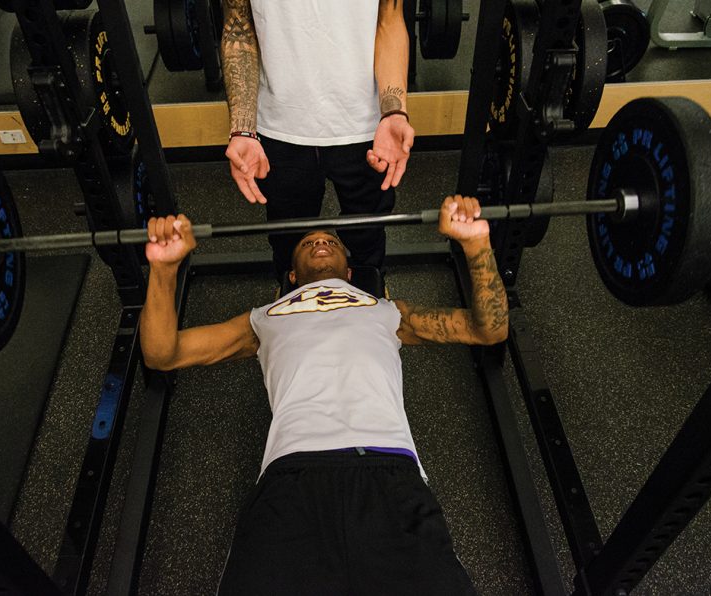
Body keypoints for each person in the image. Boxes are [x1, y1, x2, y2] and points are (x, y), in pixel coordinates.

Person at [140, 196, 507, 594]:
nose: (319, 242)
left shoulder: (387, 311)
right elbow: (163, 354)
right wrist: (164, 268)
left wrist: (476, 244)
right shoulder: (263, 317)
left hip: (390, 470)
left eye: (331, 241)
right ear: (292, 277)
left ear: (349, 272)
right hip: (291, 475)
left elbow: (489, 330)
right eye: (306, 243)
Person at [220, 0, 416, 280]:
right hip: (280, 127)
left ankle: (372, 306)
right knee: (289, 244)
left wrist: (394, 110)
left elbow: (390, 20)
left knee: (367, 235)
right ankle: (287, 312)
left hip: (364, 127)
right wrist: (242, 127)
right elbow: (238, 29)